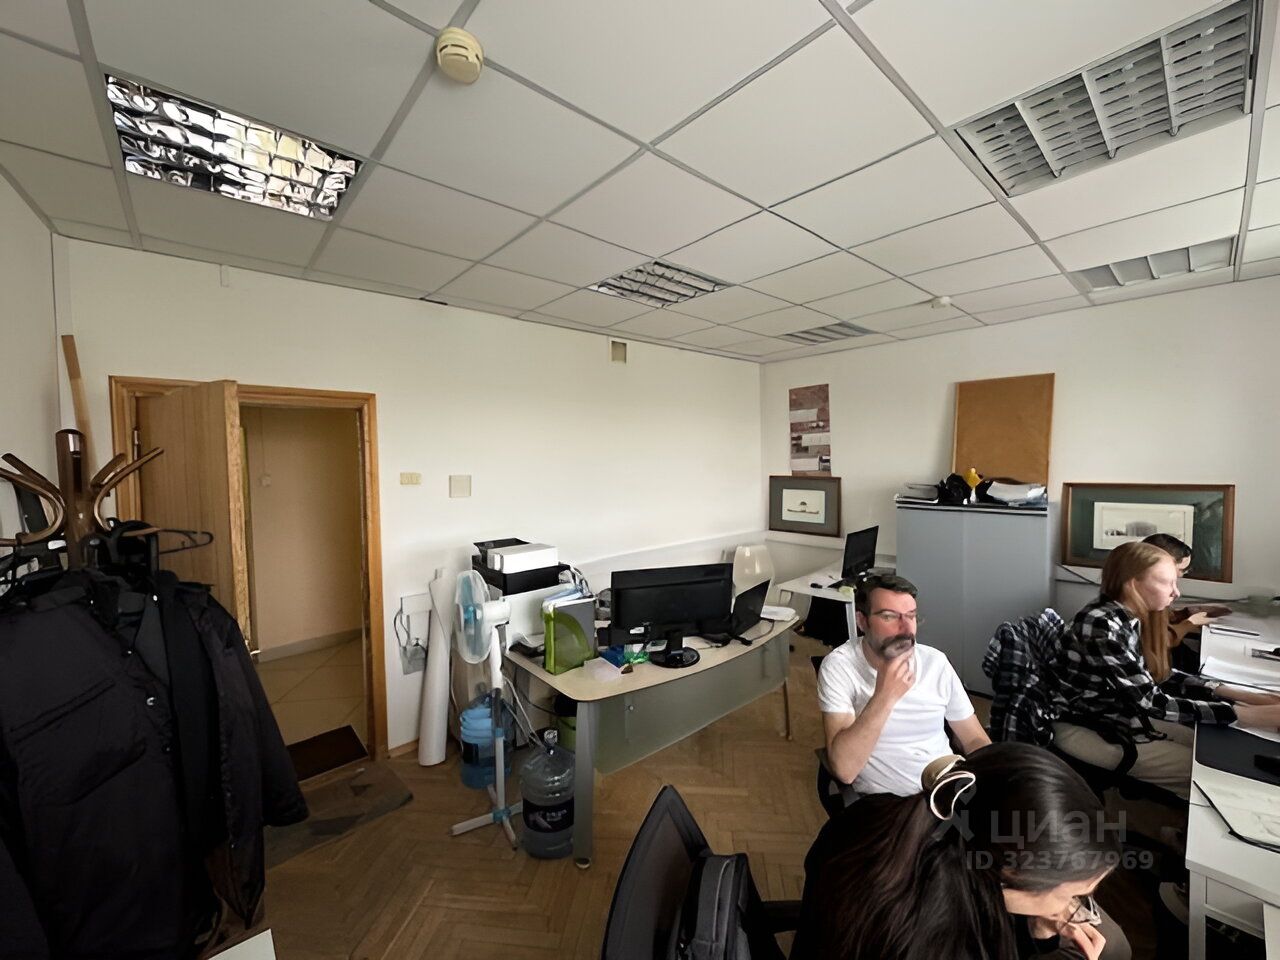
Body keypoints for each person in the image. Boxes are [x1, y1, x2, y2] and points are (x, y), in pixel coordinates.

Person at [793, 742, 1131, 960]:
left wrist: (1040, 931)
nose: (1075, 907)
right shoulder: (934, 940)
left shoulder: (887, 815)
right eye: (1074, 896)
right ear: (1008, 876)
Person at [1050, 541, 1280, 799]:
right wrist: (1250, 715)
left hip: (1122, 715)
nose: (1176, 593)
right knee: (1216, 774)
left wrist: (1238, 694)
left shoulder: (1125, 616)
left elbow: (1157, 676)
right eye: (1167, 583)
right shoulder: (1101, 626)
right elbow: (1152, 702)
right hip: (1090, 727)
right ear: (1133, 584)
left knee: (1216, 743)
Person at [817, 572, 989, 796]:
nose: (906, 629)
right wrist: (885, 695)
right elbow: (845, 770)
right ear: (862, 621)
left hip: (948, 788)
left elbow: (974, 737)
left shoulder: (935, 662)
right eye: (889, 617)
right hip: (888, 803)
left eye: (911, 616)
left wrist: (994, 776)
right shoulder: (840, 667)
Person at [1140, 534, 1230, 647]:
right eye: (1181, 569)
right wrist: (1190, 624)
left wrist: (1185, 613)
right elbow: (1160, 642)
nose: (1182, 574)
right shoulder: (1145, 597)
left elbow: (1159, 619)